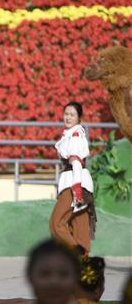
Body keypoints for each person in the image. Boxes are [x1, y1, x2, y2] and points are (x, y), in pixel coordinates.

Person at [49, 101, 96, 255]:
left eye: (72, 115)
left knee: (56, 223)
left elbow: (76, 163)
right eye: (66, 114)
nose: (68, 117)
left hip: (73, 183)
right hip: (80, 183)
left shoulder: (75, 136)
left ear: (79, 117)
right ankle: (84, 264)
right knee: (80, 227)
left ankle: (77, 252)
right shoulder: (74, 134)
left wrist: (76, 191)